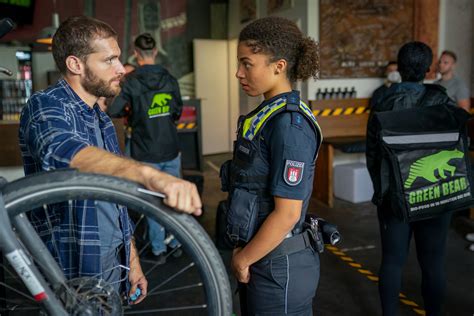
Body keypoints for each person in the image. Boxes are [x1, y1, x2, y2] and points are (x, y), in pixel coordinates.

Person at [18, 16, 201, 305]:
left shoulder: (100, 119)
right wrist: (148, 174)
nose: (121, 69)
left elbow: (115, 195)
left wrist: (132, 262)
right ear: (76, 65)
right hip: (73, 264)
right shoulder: (46, 104)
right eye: (109, 60)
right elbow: (60, 151)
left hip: (113, 260)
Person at [221, 16, 322, 315]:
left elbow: (288, 212)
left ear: (278, 66)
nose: (239, 73)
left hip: (279, 266)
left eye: (247, 63)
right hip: (263, 256)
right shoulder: (268, 114)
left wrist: (243, 259)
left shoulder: (290, 125)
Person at [366, 42, 456, 316]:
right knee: (433, 263)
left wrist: (382, 192)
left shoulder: (382, 103)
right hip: (435, 194)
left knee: (392, 261)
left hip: (395, 196)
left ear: (399, 69)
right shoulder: (443, 101)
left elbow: (373, 155)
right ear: (429, 70)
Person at [109, 33, 183, 263]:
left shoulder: (131, 81)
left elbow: (114, 110)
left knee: (153, 201)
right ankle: (178, 242)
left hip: (145, 150)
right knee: (173, 197)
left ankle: (158, 250)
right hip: (170, 148)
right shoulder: (170, 78)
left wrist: (132, 111)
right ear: (156, 52)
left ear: (136, 53)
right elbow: (177, 111)